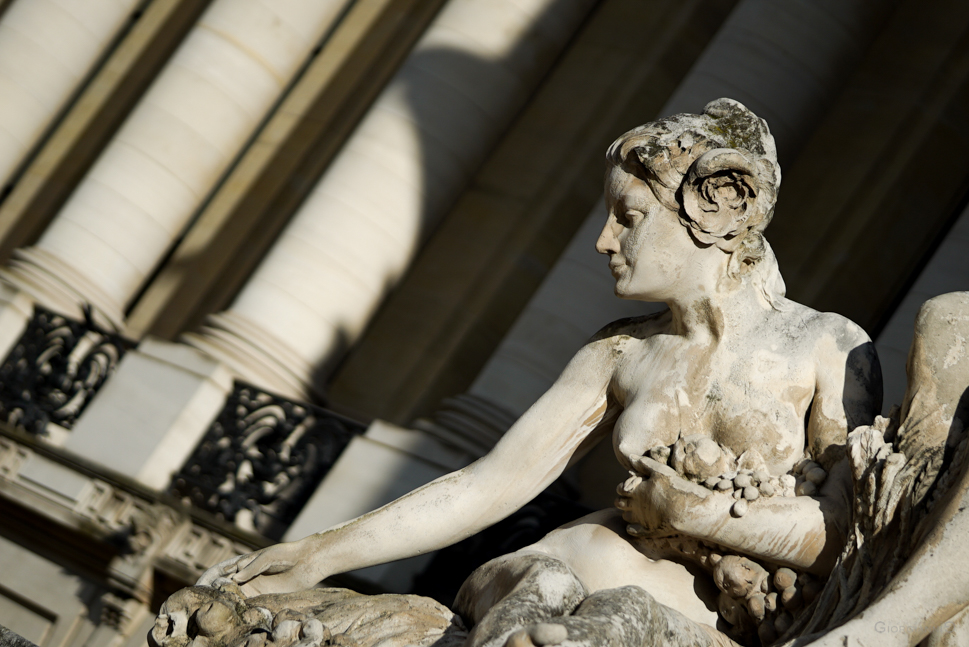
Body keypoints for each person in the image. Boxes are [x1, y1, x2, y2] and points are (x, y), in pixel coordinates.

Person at [197, 99, 882, 647]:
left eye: (629, 217)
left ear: (719, 205)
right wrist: (319, 553)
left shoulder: (827, 346)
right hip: (548, 576)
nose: (605, 241)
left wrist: (691, 512)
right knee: (546, 590)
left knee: (611, 619)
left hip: (680, 623)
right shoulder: (619, 353)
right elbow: (488, 484)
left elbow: (848, 542)